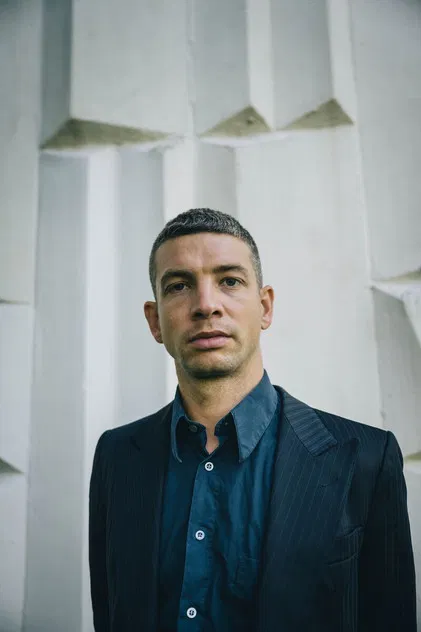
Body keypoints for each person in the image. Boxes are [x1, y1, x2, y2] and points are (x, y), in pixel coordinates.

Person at [89, 208, 417, 632]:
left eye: (229, 281)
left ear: (265, 307)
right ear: (155, 321)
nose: (206, 305)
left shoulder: (366, 458)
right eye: (179, 286)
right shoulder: (116, 456)